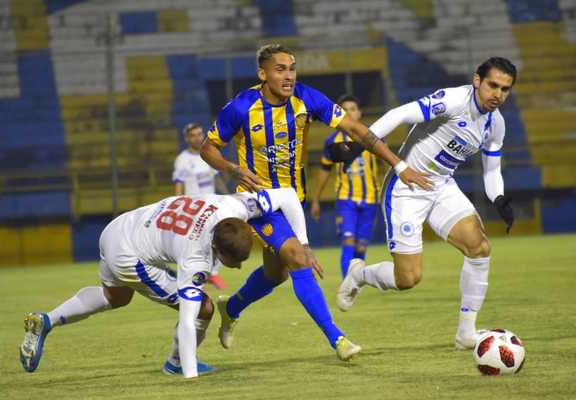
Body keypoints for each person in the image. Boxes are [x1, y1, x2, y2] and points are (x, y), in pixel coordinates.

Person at [200, 43, 431, 360]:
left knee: (275, 274)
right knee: (298, 257)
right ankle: (338, 339)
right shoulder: (241, 107)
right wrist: (232, 168)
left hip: (294, 199)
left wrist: (399, 164)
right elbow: (208, 148)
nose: (289, 75)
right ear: (262, 73)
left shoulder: (307, 99)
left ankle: (232, 306)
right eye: (280, 69)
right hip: (258, 201)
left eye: (292, 68)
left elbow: (356, 130)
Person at [19, 187, 309, 379]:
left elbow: (286, 195)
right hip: (129, 254)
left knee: (116, 296)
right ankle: (177, 364)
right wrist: (191, 377)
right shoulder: (195, 259)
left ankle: (47, 320)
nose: (240, 266)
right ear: (216, 250)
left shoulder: (232, 207)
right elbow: (187, 319)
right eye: (237, 261)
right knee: (204, 308)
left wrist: (303, 244)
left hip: (120, 227)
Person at [336, 57, 517, 350]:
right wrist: (360, 144)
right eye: (493, 85)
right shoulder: (454, 100)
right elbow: (399, 114)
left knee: (479, 248)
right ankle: (359, 273)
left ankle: (465, 333)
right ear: (477, 81)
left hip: (442, 186)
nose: (497, 94)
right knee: (408, 279)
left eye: (505, 89)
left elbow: (492, 168)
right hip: (406, 187)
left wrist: (499, 199)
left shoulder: (495, 124)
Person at [311, 95, 381, 279]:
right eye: (345, 109)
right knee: (348, 240)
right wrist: (316, 199)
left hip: (372, 198)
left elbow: (385, 164)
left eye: (353, 109)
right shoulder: (333, 141)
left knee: (361, 246)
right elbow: (325, 169)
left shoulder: (373, 136)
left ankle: (355, 281)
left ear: (359, 113)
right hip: (345, 199)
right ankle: (346, 283)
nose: (349, 112)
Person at [172, 122, 229, 289]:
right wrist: (177, 207)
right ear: (187, 138)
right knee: (194, 244)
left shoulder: (208, 154)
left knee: (220, 238)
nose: (197, 138)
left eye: (199, 134)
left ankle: (214, 273)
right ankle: (195, 276)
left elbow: (216, 179)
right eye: (193, 135)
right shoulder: (182, 160)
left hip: (212, 206)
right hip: (193, 209)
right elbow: (179, 184)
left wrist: (227, 196)